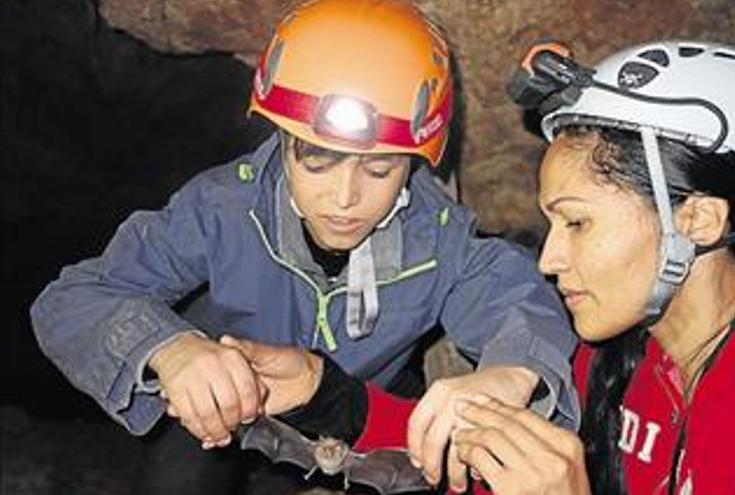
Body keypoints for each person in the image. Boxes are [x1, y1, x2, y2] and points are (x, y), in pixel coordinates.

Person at [225, 39, 735, 495]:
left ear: (698, 220)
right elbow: (475, 450)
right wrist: (325, 392)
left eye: (578, 221)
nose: (548, 257)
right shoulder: (622, 360)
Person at [28, 2, 579, 494]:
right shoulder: (222, 207)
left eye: (381, 168)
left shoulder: (438, 237)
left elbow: (517, 296)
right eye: (316, 159)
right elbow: (72, 298)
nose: (345, 197)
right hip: (228, 409)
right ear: (283, 140)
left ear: (416, 161)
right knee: (179, 476)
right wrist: (168, 349)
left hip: (355, 405)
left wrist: (509, 371)